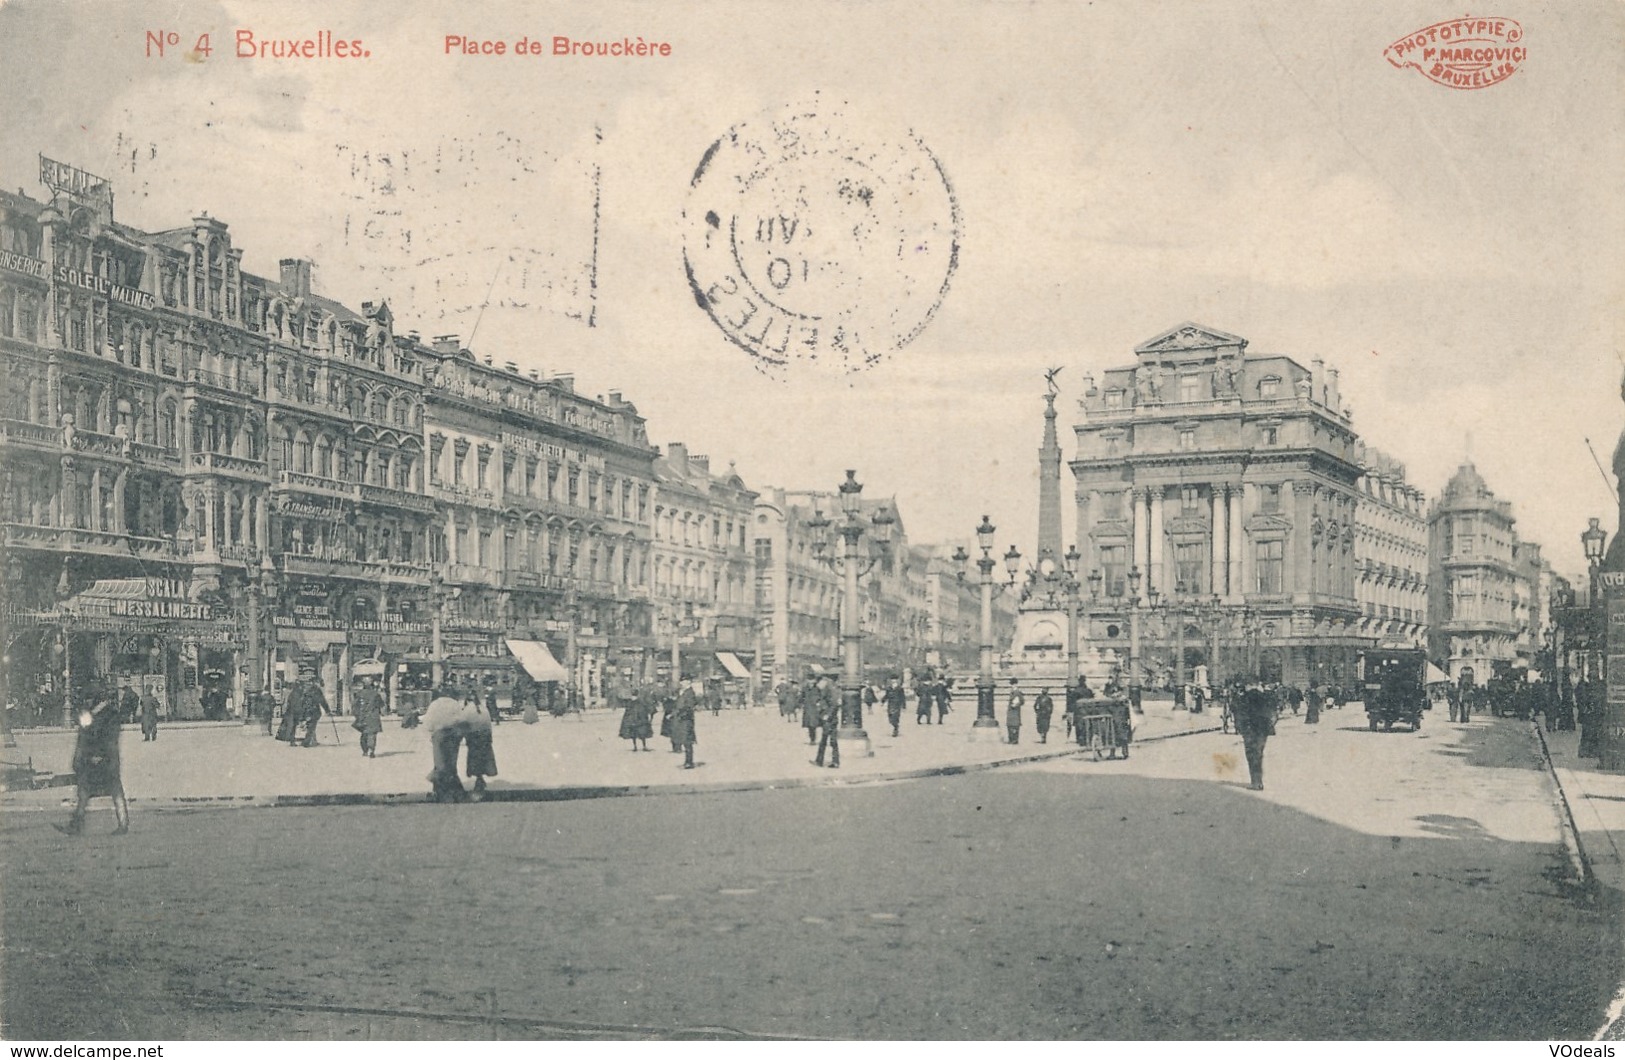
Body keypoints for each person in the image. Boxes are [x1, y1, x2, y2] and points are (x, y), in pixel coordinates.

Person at [57, 684, 129, 836]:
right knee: (93, 791)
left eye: (89, 699)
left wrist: (98, 754)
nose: (87, 702)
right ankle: (121, 823)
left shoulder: (107, 714)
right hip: (102, 758)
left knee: (100, 790)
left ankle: (122, 824)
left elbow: (107, 738)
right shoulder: (103, 713)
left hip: (102, 758)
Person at [1233, 681, 1278, 791]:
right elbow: (1273, 713)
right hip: (1262, 729)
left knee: (1251, 754)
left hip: (1249, 729)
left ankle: (1255, 781)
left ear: (1248, 685)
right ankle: (1259, 781)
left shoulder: (1243, 697)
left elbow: (1238, 713)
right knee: (1259, 753)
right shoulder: (1266, 696)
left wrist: (1239, 728)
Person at [279, 665, 329, 747]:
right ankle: (307, 741)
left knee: (293, 725)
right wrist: (327, 710)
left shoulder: (298, 688)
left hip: (297, 710)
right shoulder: (315, 688)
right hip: (311, 710)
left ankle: (293, 740)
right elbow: (321, 700)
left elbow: (291, 699)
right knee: (311, 725)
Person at [351, 676, 385, 758]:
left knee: (364, 734)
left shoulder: (359, 694)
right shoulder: (375, 694)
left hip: (362, 716)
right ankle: (371, 750)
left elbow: (355, 706)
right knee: (372, 734)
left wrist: (356, 715)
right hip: (373, 716)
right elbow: (381, 704)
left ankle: (365, 750)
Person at [813, 675, 841, 769]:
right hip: (831, 718)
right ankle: (834, 761)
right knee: (831, 740)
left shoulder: (829, 690)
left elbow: (834, 704)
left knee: (825, 740)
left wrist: (827, 715)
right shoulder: (830, 689)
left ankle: (820, 760)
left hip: (829, 719)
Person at [618, 680, 653, 751]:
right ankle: (639, 746)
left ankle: (640, 746)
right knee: (637, 734)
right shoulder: (635, 702)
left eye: (633, 695)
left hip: (636, 721)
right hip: (636, 721)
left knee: (638, 734)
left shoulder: (635, 702)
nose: (633, 697)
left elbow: (629, 712)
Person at [672, 678, 699, 769]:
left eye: (683, 681)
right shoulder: (683, 691)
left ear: (688, 682)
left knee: (687, 741)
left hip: (686, 720)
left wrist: (681, 714)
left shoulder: (690, 692)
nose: (681, 683)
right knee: (684, 740)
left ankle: (689, 762)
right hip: (681, 719)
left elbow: (689, 706)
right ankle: (687, 761)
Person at [800, 675, 823, 745]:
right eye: (809, 682)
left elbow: (821, 697)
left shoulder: (817, 689)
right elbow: (801, 698)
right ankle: (812, 739)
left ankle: (814, 739)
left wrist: (819, 704)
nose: (811, 684)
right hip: (807, 709)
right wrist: (800, 704)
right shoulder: (804, 689)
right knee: (810, 726)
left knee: (814, 725)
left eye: (812, 682)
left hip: (815, 709)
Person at [1005, 679, 1024, 745]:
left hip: (1015, 711)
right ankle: (1011, 739)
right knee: (1010, 725)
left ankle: (1014, 739)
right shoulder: (1012, 692)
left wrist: (1016, 704)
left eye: (1013, 684)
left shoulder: (1017, 692)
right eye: (1012, 684)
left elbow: (1022, 701)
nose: (1012, 686)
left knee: (1015, 725)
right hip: (1011, 711)